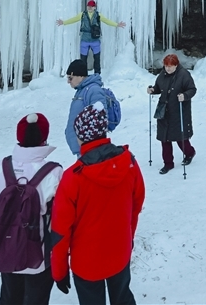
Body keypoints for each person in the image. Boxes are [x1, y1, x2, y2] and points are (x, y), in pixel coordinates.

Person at [51, 104, 145, 305]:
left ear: (82, 137)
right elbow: (136, 206)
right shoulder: (129, 162)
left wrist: (59, 271)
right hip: (120, 252)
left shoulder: (72, 178)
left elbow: (60, 231)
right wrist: (128, 237)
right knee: (123, 298)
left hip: (86, 263)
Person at [0, 114, 63, 305]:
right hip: (38, 253)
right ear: (44, 137)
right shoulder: (54, 173)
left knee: (9, 296)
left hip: (6, 247)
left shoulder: (1, 167)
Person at [147, 54, 197, 175]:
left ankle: (189, 153)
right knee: (164, 139)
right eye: (166, 66)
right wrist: (153, 90)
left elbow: (192, 89)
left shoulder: (184, 75)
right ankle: (168, 163)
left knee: (180, 138)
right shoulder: (162, 75)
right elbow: (159, 87)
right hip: (164, 111)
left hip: (178, 110)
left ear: (176, 65)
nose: (168, 69)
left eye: (170, 66)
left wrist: (184, 96)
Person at [57, 0, 125, 75]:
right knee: (83, 60)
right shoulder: (82, 14)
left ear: (94, 7)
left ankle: (97, 75)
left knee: (97, 59)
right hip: (85, 40)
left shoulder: (98, 15)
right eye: (88, 6)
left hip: (95, 40)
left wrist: (116, 24)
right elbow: (74, 19)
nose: (89, 7)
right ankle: (83, 75)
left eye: (91, 6)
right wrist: (64, 22)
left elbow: (106, 21)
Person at [64, 59, 113, 156]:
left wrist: (90, 143)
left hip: (91, 148)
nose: (68, 82)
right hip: (83, 147)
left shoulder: (93, 90)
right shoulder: (81, 91)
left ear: (81, 76)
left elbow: (100, 118)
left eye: (70, 78)